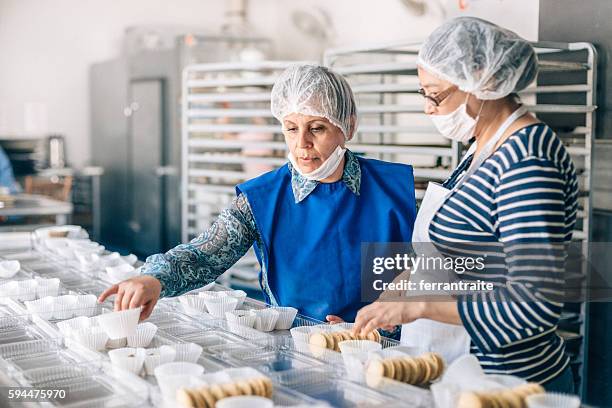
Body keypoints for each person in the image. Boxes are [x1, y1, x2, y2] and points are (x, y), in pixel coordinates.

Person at [352, 17, 578, 393]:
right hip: (459, 374)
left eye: (435, 95)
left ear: (482, 82)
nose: (427, 108)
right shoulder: (481, 147)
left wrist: (418, 306)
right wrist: (401, 289)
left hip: (508, 384)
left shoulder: (528, 161)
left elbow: (534, 306)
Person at [99, 64, 417, 323]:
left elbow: (429, 270)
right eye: (292, 128)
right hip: (297, 345)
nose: (302, 144)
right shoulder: (262, 199)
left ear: (347, 125)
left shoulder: (392, 188)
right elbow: (206, 253)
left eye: (317, 128)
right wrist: (155, 278)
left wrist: (392, 311)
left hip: (382, 348)